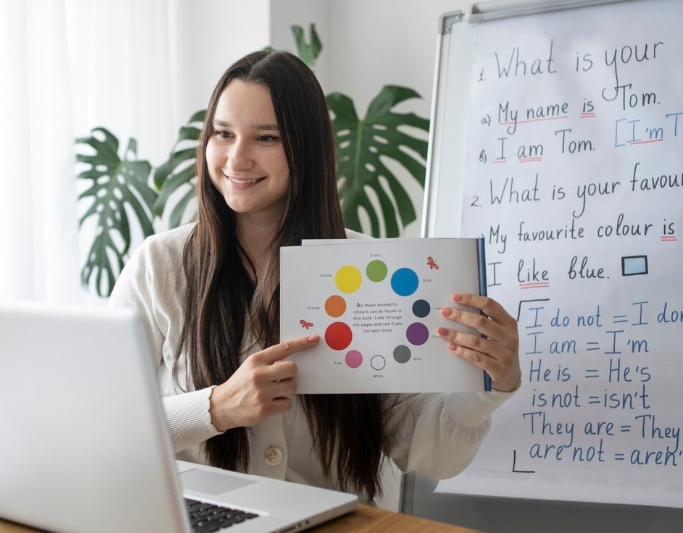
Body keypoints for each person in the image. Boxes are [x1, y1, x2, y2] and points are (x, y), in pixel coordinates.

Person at [109, 49, 520, 504]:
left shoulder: (366, 270)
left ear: (305, 149)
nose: (236, 158)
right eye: (222, 134)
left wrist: (491, 383)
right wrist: (215, 409)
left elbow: (431, 453)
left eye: (266, 138)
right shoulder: (159, 266)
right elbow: (103, 427)